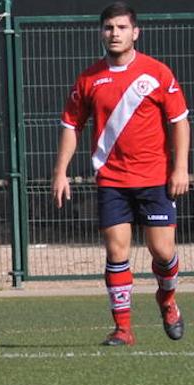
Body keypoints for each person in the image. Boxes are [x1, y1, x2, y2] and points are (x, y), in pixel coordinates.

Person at [51, 2, 189, 346]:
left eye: (122, 28)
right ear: (101, 32)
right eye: (109, 28)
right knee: (116, 252)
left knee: (162, 251)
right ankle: (123, 329)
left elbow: (179, 122)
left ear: (135, 32)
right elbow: (71, 125)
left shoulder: (157, 73)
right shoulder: (89, 78)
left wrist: (181, 168)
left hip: (155, 179)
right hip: (111, 181)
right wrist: (61, 172)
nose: (115, 33)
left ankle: (167, 299)